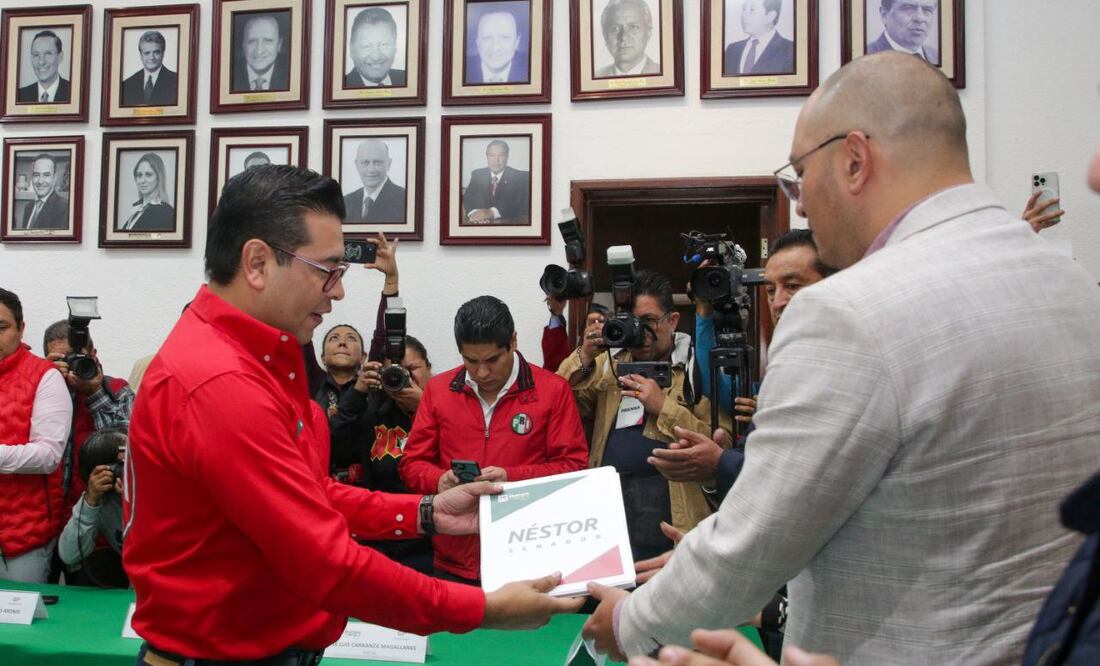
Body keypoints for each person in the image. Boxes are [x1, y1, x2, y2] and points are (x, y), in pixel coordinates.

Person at [582, 52, 1100, 663]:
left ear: (854, 160)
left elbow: (754, 540)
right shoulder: (1070, 282)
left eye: (799, 176)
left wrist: (629, 624)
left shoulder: (847, 311)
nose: (798, 205)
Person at [124, 165, 581, 663]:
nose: (338, 292)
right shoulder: (223, 383)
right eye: (327, 271)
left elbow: (306, 493)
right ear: (256, 263)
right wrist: (483, 609)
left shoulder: (248, 361)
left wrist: (425, 511)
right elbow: (326, 562)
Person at [400, 295, 589, 584]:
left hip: (530, 556)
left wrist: (510, 478)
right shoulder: (438, 391)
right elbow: (412, 464)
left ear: (513, 341)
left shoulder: (553, 390)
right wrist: (439, 481)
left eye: (492, 360)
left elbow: (574, 467)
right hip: (455, 560)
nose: (481, 372)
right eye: (470, 361)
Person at [557, 270, 730, 563]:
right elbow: (560, 406)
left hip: (672, 511)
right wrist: (584, 357)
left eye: (649, 322)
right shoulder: (610, 365)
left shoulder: (696, 367)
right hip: (610, 510)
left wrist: (664, 407)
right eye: (635, 323)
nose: (641, 333)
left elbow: (721, 442)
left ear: (672, 321)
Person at [667, 229, 834, 501]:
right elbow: (719, 388)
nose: (778, 301)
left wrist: (723, 462)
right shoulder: (785, 368)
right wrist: (704, 311)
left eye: (792, 286)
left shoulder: (850, 362)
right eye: (770, 290)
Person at [0, 288, 71, 583]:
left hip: (23, 536)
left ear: (21, 328)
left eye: (1, 328)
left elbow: (48, 455)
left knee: (20, 629)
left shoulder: (45, 376)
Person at [42, 320, 133, 525]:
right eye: (64, 360)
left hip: (102, 519)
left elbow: (124, 452)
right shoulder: (40, 395)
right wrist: (46, 378)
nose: (73, 365)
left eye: (78, 357)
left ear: (93, 354)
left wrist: (94, 393)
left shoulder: (118, 391)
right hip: (51, 521)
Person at [57, 428, 128, 588]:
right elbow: (69, 555)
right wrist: (90, 502)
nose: (125, 471)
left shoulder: (154, 488)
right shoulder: (98, 497)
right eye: (120, 466)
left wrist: (134, 503)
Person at [462, 139, 530, 224]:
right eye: (492, 155)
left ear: (507, 157)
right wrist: (474, 214)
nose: (496, 160)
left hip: (509, 225)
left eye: (501, 155)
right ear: (487, 157)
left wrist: (490, 213)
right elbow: (468, 199)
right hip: (480, 224)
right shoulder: (477, 174)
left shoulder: (520, 177)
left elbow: (518, 205)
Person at [723, 0, 795, 76]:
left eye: (752, 10)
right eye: (744, 9)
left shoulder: (791, 50)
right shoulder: (732, 49)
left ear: (771, 16)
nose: (743, 15)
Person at [344, 139, 407, 224]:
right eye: (365, 162)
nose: (371, 170)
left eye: (377, 162)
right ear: (357, 164)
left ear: (389, 164)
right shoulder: (346, 202)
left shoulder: (404, 200)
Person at [541, 298, 609, 373]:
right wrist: (556, 313)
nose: (601, 329)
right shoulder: (575, 354)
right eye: (597, 323)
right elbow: (554, 368)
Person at [596, 0, 660, 78]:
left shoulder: (665, 75)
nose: (624, 37)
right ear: (605, 36)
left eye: (633, 27)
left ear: (648, 33)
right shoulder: (596, 77)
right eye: (615, 28)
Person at [346, 7, 405, 87]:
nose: (376, 57)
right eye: (366, 46)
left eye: (384, 44)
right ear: (351, 50)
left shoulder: (408, 79)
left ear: (395, 46)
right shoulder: (340, 87)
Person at [866, 0, 940, 65]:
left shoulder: (937, 56)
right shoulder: (865, 58)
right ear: (884, 15)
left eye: (927, 10)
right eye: (908, 8)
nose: (920, 18)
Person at [465, 9, 528, 84]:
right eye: (487, 38)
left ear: (517, 41)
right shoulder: (462, 68)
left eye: (504, 37)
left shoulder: (532, 67)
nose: (495, 48)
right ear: (477, 41)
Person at [231, 13, 289, 92]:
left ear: (279, 45)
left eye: (268, 41)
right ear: (243, 45)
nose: (259, 50)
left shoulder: (292, 72)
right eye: (252, 41)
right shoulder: (228, 73)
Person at [120, 31, 178, 107]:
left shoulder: (177, 81)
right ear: (141, 55)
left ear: (163, 53)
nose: (151, 57)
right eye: (147, 53)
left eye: (156, 52)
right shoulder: (127, 85)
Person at [119, 153, 174, 232]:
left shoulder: (167, 213)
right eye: (139, 175)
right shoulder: (137, 210)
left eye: (148, 175)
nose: (142, 180)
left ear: (159, 177)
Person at [16, 30, 70, 103]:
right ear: (31, 58)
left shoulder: (73, 92)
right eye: (36, 55)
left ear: (60, 57)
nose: (41, 62)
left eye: (48, 53)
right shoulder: (20, 95)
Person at [20, 154, 68, 230]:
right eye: (36, 175)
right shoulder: (28, 207)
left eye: (46, 175)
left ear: (54, 178)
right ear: (32, 177)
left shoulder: (65, 208)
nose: (40, 181)